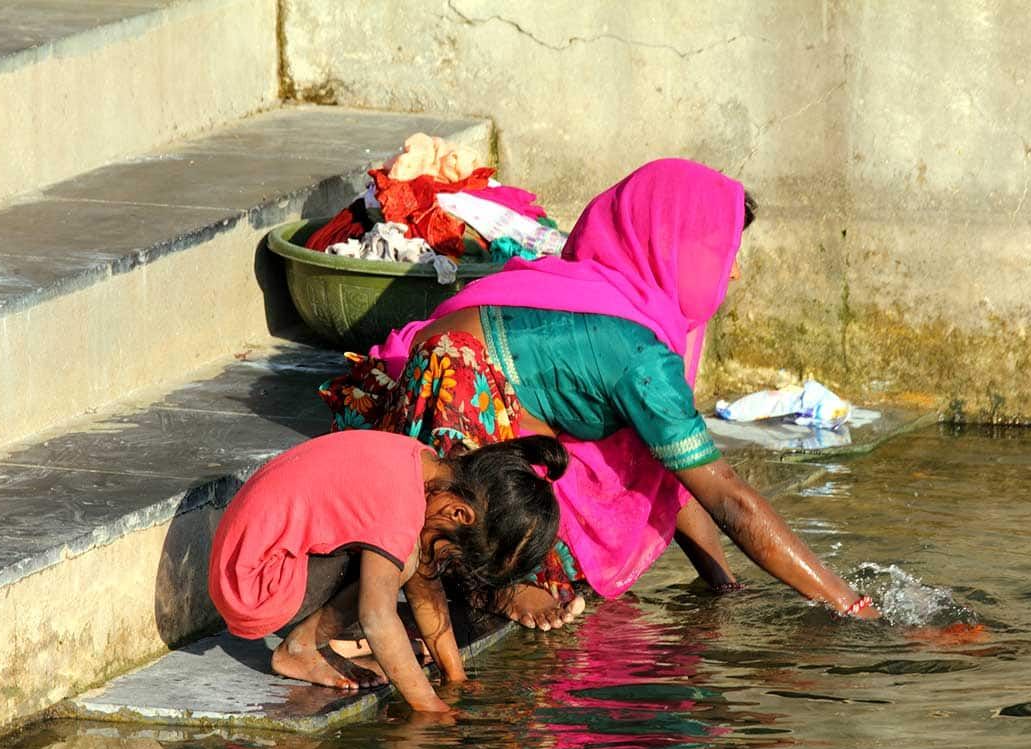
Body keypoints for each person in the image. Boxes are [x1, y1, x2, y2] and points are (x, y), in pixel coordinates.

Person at [321, 158, 879, 632]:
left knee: (619, 475)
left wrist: (724, 587)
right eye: (724, 258)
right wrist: (847, 604)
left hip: (455, 416)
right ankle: (496, 588)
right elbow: (727, 497)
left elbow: (671, 478)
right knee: (550, 560)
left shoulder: (601, 291)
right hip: (448, 429)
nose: (730, 279)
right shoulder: (638, 352)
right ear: (678, 250)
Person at [208, 429, 568, 712]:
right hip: (256, 586)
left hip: (248, 562)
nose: (446, 558)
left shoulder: (420, 462)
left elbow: (425, 587)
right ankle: (300, 649)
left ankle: (314, 642)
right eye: (454, 550)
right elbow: (377, 617)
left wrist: (455, 678)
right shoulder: (402, 510)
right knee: (405, 558)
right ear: (459, 515)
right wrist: (430, 708)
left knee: (412, 558)